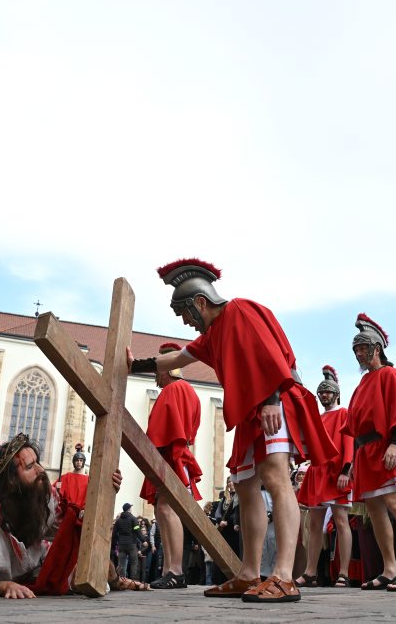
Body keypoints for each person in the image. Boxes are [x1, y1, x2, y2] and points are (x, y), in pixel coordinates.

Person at [128, 258, 337, 602]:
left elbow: (270, 352)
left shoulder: (239, 310)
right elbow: (178, 359)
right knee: (244, 484)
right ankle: (249, 574)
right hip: (251, 412)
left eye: (185, 313)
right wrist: (132, 365)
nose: (185, 322)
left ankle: (284, 576)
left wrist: (270, 399)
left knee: (275, 477)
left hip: (272, 399)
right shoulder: (211, 338)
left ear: (199, 302)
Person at [0, 434, 144, 597]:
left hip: (41, 566)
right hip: (15, 577)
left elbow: (73, 526)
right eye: (29, 467)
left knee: (90, 565)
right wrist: (4, 586)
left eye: (38, 462)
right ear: (11, 482)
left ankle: (117, 580)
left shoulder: (44, 496)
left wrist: (105, 491)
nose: (41, 471)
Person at [341, 313, 396, 592]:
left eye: (362, 348)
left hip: (388, 446)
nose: (358, 353)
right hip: (366, 453)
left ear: (376, 348)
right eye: (355, 349)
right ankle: (390, 568)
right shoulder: (360, 385)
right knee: (375, 510)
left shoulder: (391, 374)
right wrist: (354, 460)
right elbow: (354, 427)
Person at [139, 342, 203, 590]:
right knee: (162, 511)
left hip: (171, 455)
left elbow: (161, 430)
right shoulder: (187, 390)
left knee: (167, 509)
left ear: (167, 369)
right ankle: (169, 569)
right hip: (172, 455)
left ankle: (175, 570)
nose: (156, 376)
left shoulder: (174, 389)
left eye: (158, 370)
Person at [294, 365, 353, 589]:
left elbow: (348, 441)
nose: (323, 395)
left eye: (327, 392)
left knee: (340, 520)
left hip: (337, 471)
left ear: (336, 393)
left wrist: (346, 470)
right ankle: (310, 572)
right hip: (317, 471)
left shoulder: (344, 413)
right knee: (314, 523)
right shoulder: (317, 417)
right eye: (321, 392)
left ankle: (344, 574)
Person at [115, 503, 141, 580]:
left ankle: (122, 580)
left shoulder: (118, 520)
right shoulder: (133, 518)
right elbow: (137, 531)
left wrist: (116, 543)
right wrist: (143, 540)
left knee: (121, 563)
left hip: (121, 545)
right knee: (134, 562)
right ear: (129, 509)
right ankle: (133, 581)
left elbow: (114, 533)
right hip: (131, 544)